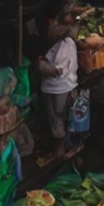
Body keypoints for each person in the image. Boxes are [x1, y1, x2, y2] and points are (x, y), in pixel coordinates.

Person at [36, 22, 80, 165]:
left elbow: (57, 71)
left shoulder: (66, 46)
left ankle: (62, 149)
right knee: (57, 117)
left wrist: (42, 66)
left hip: (60, 88)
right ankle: (63, 146)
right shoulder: (58, 43)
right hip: (51, 87)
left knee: (59, 117)